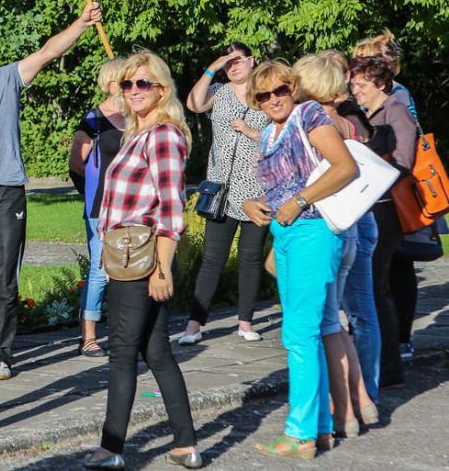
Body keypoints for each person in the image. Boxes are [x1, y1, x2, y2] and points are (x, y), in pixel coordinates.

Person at [0, 2, 102, 381]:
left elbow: (48, 51)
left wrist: (80, 24)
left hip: (6, 193)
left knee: (5, 280)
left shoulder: (6, 79)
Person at [84, 53, 202, 470]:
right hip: (125, 256)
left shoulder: (164, 136)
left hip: (142, 260)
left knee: (121, 353)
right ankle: (185, 444)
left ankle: (111, 448)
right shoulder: (137, 133)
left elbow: (172, 209)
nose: (133, 91)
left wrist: (161, 269)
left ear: (162, 90)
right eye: (128, 85)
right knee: (157, 353)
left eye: (143, 84)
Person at [242, 60, 357, 459]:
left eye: (280, 91)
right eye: (264, 95)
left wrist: (299, 200)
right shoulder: (270, 133)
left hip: (313, 230)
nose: (274, 99)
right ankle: (321, 429)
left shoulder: (307, 114)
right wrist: (256, 204)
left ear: (293, 88)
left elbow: (346, 167)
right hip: (287, 231)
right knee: (303, 331)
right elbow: (280, 188)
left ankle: (300, 434)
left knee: (299, 333)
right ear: (256, 100)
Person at [294, 54, 376, 437]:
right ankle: (363, 401)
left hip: (327, 227)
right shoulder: (347, 122)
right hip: (353, 229)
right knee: (335, 322)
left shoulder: (319, 124)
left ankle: (342, 410)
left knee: (326, 324)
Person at [181, 43, 270, 345]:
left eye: (237, 61)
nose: (233, 67)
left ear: (252, 60)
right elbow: (193, 103)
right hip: (221, 187)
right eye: (228, 63)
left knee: (250, 258)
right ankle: (194, 325)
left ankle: (245, 322)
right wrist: (213, 67)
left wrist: (253, 133)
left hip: (257, 189)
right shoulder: (218, 91)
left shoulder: (267, 93)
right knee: (212, 258)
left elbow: (283, 132)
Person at [317, 50, 382, 416]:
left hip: (345, 220)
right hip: (356, 218)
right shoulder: (348, 119)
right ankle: (363, 400)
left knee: (342, 317)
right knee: (346, 316)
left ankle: (352, 401)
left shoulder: (331, 121)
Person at [348, 54, 417, 390]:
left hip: (385, 210)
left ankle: (388, 368)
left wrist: (367, 165)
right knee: (370, 290)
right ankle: (375, 362)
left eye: (360, 85)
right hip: (367, 207)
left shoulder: (396, 111)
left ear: (379, 83)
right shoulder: (366, 113)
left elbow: (403, 162)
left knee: (376, 290)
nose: (355, 90)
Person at [68, 57, 127, 357]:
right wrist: (91, 192)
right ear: (109, 83)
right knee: (100, 270)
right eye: (124, 79)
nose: (129, 85)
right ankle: (88, 337)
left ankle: (125, 330)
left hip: (131, 205)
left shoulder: (137, 116)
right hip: (101, 206)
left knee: (128, 268)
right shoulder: (94, 119)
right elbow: (75, 162)